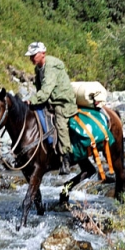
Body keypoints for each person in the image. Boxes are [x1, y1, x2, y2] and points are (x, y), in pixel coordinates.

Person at [25, 41, 78, 175]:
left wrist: (32, 100)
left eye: (33, 55)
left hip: (62, 101)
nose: (31, 58)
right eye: (30, 56)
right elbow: (39, 89)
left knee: (60, 123)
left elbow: (47, 89)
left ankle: (66, 157)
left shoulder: (51, 66)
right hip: (49, 100)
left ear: (43, 54)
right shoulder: (38, 68)